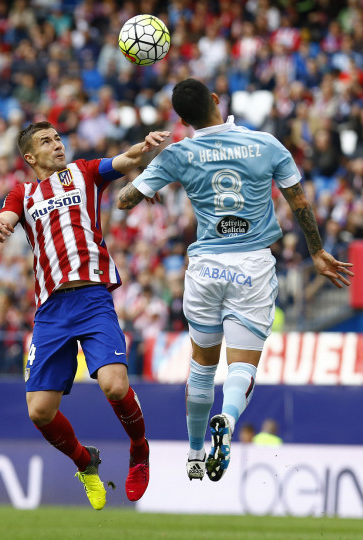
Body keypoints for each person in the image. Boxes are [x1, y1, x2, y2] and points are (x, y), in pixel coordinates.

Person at [117, 78, 353, 483]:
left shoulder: (177, 153)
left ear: (180, 119)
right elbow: (299, 203)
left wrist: (148, 168)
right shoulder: (266, 144)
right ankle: (225, 419)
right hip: (253, 267)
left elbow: (125, 200)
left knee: (201, 367)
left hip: (206, 267)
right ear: (215, 100)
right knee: (241, 367)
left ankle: (193, 453)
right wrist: (316, 251)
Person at [0, 121, 170, 509]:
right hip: (51, 309)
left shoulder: (84, 173)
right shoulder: (25, 192)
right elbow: (6, 216)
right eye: (46, 141)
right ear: (29, 157)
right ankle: (86, 463)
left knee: (115, 386)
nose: (57, 144)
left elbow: (126, 159)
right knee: (39, 412)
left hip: (91, 297)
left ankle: (139, 451)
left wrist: (146, 146)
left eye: (57, 138)